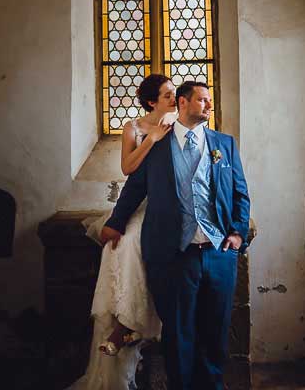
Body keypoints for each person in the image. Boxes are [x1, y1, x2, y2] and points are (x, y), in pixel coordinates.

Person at [100, 81, 250, 390]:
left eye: (210, 100)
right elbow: (134, 188)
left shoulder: (225, 144)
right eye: (202, 100)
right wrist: (116, 222)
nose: (209, 105)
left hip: (218, 252)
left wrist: (236, 235)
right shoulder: (155, 146)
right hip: (173, 255)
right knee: (179, 334)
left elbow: (240, 194)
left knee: (215, 332)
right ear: (182, 103)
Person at [66, 74, 176, 390]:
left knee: (144, 246)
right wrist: (152, 139)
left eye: (173, 93)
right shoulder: (135, 127)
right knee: (124, 243)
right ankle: (126, 321)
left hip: (165, 205)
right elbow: (128, 169)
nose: (172, 98)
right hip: (138, 203)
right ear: (152, 101)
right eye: (167, 94)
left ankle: (131, 325)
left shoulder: (175, 124)